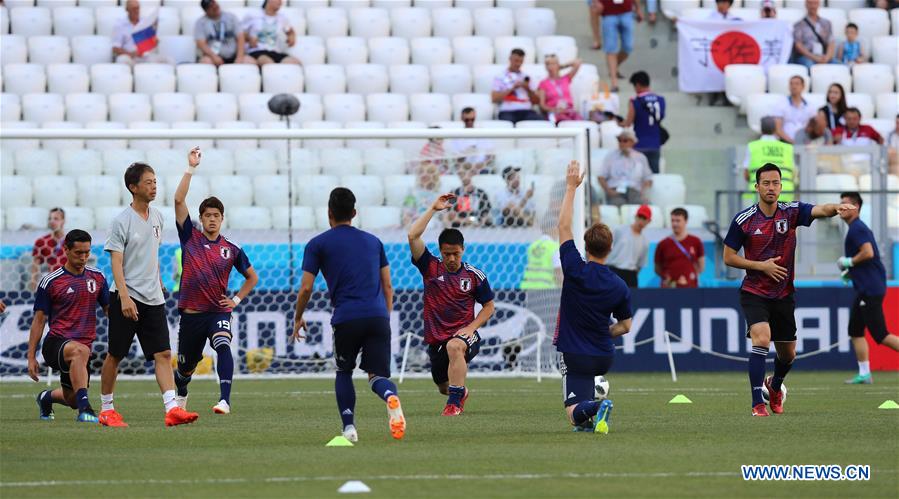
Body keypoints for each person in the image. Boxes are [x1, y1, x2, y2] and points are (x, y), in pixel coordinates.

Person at [723, 163, 855, 417]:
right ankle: (756, 403)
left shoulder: (791, 212)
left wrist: (835, 209)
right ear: (757, 187)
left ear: (781, 186)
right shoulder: (744, 220)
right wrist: (760, 266)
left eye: (775, 183)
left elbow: (819, 210)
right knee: (761, 338)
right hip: (754, 292)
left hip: (783, 295)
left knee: (788, 354)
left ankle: (775, 385)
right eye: (766, 183)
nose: (771, 188)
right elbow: (728, 257)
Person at [291, 188, 405, 442]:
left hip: (346, 318)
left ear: (328, 213)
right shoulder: (374, 242)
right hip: (377, 317)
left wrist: (298, 317)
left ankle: (349, 428)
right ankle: (390, 397)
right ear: (354, 213)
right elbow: (388, 286)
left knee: (344, 372)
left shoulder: (317, 244)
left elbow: (306, 288)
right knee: (378, 377)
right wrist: (383, 317)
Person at [99, 162, 199, 428]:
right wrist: (124, 297)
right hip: (126, 296)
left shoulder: (157, 217)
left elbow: (150, 255)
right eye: (148, 182)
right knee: (115, 354)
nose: (154, 186)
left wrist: (158, 280)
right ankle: (106, 409)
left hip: (153, 297)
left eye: (155, 181)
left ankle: (172, 409)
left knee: (164, 354)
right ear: (133, 188)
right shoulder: (121, 221)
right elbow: (116, 263)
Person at [172, 147, 259, 415]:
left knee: (222, 344)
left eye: (216, 216)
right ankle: (182, 391)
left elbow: (252, 277)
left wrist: (235, 299)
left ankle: (224, 400)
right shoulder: (190, 238)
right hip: (190, 315)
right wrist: (191, 168)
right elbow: (177, 200)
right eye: (207, 215)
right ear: (201, 218)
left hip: (217, 312)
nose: (212, 219)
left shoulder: (232, 248)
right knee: (185, 368)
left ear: (222, 219)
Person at [556, 160, 633, 433]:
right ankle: (592, 416)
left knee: (572, 413)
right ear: (610, 249)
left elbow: (564, 227)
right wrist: (603, 331)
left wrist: (570, 187)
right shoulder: (619, 285)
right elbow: (625, 326)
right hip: (603, 354)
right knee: (583, 411)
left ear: (585, 246)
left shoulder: (575, 269)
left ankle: (596, 408)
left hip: (576, 353)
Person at [407, 194, 496, 416]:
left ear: (463, 250)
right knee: (443, 386)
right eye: (447, 254)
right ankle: (457, 393)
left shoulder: (474, 275)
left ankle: (454, 405)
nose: (452, 259)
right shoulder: (430, 267)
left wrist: (471, 328)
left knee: (455, 346)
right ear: (440, 251)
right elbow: (412, 235)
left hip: (464, 335)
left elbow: (489, 306)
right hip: (436, 338)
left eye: (456, 253)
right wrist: (433, 209)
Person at [27, 230, 108, 424]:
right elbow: (39, 320)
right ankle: (86, 410)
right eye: (78, 253)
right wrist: (31, 356)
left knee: (72, 398)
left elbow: (109, 310)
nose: (83, 257)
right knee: (80, 351)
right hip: (56, 343)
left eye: (87, 253)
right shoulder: (51, 281)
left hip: (82, 347)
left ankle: (46, 398)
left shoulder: (97, 277)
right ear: (66, 250)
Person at [837, 192, 899, 384]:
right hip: (865, 287)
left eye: (845, 204)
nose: (840, 207)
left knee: (881, 335)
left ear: (855, 207)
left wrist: (849, 262)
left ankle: (865, 373)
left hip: (870, 289)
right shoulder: (855, 228)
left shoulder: (857, 229)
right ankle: (864, 373)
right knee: (855, 331)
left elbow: (868, 252)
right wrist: (851, 271)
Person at [618, 70, 666, 173]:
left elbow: (628, 123)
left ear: (638, 85)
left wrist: (618, 122)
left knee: (638, 175)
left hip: (639, 144)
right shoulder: (661, 99)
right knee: (654, 176)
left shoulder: (635, 101)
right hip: (655, 144)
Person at [742, 116, 795, 202]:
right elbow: (794, 174)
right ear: (775, 129)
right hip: (784, 194)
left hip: (758, 196)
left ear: (761, 130)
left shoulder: (752, 146)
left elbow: (746, 174)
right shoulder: (787, 148)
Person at [597, 130, 652, 207]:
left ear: (632, 142)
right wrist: (609, 191)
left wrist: (643, 193)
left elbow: (648, 179)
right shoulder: (610, 156)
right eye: (619, 140)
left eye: (625, 141)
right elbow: (601, 176)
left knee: (641, 206)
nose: (621, 143)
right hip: (616, 190)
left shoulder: (641, 157)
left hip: (634, 191)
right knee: (617, 205)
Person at [598, 0, 643, 92]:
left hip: (626, 11)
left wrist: (638, 8)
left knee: (628, 46)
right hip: (608, 12)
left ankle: (614, 68)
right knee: (611, 48)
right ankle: (614, 82)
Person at [655, 207, 705, 288]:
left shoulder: (696, 242)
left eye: (678, 221)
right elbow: (657, 268)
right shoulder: (663, 244)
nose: (674, 224)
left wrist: (689, 277)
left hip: (690, 288)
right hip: (669, 289)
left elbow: (701, 266)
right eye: (672, 221)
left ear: (686, 221)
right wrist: (668, 278)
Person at [112, 0, 173, 65]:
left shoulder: (145, 22)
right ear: (127, 10)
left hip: (146, 56)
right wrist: (130, 54)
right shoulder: (120, 25)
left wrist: (154, 41)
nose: (136, 11)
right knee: (122, 60)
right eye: (133, 9)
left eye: (138, 8)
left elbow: (151, 40)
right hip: (130, 57)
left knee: (168, 60)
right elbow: (115, 48)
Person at [195, 0, 255, 66]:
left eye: (215, 4)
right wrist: (213, 56)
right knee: (206, 62)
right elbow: (201, 43)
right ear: (206, 10)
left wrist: (239, 57)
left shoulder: (231, 17)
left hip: (234, 55)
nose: (214, 7)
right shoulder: (201, 22)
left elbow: (240, 37)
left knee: (251, 62)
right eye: (211, 7)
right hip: (214, 56)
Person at [491, 49, 543, 124]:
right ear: (510, 59)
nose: (518, 64)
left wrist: (527, 89)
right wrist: (512, 88)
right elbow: (494, 98)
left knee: (542, 123)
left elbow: (536, 101)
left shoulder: (526, 77)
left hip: (526, 111)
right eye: (516, 61)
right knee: (507, 125)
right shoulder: (500, 77)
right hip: (507, 111)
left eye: (520, 61)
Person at [242, 0, 300, 66]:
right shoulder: (253, 15)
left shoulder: (282, 18)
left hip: (274, 51)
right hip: (257, 50)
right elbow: (240, 33)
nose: (280, 2)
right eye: (278, 0)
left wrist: (291, 36)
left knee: (295, 62)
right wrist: (249, 39)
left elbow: (290, 31)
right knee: (267, 62)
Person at [605, 205, 650, 287]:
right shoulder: (619, 230)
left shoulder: (645, 242)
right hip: (613, 269)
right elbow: (606, 248)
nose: (641, 220)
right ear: (635, 217)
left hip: (630, 274)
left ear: (648, 221)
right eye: (640, 217)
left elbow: (640, 264)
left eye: (644, 218)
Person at [29, 208, 66, 292]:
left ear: (63, 221)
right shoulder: (41, 241)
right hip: (50, 283)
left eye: (56, 219)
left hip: (68, 283)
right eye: (50, 218)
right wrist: (33, 288)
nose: (52, 221)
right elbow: (35, 266)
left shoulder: (71, 241)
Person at [537, 55, 583, 124]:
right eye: (547, 64)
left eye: (553, 64)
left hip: (569, 111)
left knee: (580, 122)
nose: (550, 66)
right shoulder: (543, 83)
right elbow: (542, 105)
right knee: (565, 122)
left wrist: (561, 67)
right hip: (556, 113)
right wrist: (555, 110)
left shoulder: (565, 79)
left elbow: (578, 62)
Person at [447, 162, 494, 228]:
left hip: (480, 227)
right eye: (460, 174)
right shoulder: (454, 193)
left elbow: (486, 213)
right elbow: (451, 215)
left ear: (471, 174)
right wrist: (470, 221)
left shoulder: (481, 193)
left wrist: (477, 222)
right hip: (460, 227)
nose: (462, 176)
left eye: (464, 173)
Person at [792, 0, 835, 69]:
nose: (813, 6)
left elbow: (831, 42)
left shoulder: (826, 23)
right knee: (810, 66)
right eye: (810, 3)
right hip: (807, 56)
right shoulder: (799, 25)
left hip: (823, 55)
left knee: (839, 65)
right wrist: (813, 57)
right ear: (806, 5)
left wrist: (827, 57)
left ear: (818, 4)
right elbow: (798, 45)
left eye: (815, 3)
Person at [773, 76, 815, 144]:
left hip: (805, 143)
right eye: (791, 84)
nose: (793, 86)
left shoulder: (810, 106)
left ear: (803, 86)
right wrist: (793, 142)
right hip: (785, 143)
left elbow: (813, 126)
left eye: (797, 84)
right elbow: (778, 129)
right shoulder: (780, 104)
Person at [402, 160, 442, 227]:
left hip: (434, 224)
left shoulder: (439, 195)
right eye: (421, 172)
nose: (424, 175)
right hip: (415, 223)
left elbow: (442, 216)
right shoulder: (412, 192)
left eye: (429, 172)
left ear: (434, 175)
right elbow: (407, 213)